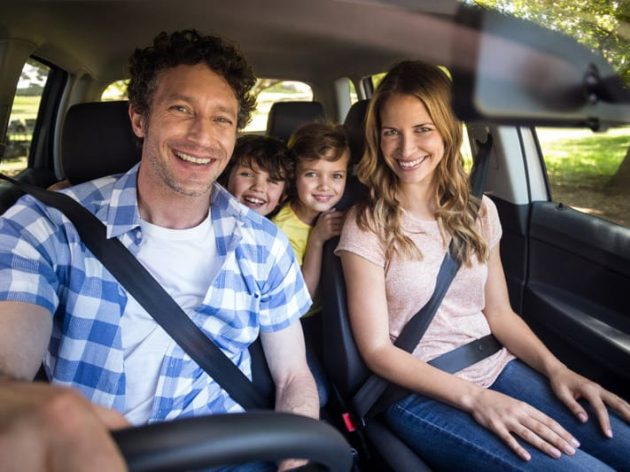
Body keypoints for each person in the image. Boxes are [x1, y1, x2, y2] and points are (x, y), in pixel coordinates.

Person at [0, 30, 318, 471]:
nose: (202, 136)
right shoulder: (46, 225)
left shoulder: (265, 245)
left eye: (222, 119)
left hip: (227, 455)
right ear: (139, 118)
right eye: (181, 109)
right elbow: (8, 361)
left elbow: (294, 377)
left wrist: (295, 463)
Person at [335, 60, 630, 471]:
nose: (405, 149)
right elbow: (377, 351)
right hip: (418, 392)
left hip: (498, 366)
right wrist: (478, 400)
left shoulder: (480, 211)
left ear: (448, 130)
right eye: (391, 132)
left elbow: (501, 314)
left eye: (423, 129)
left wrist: (560, 371)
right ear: (377, 136)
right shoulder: (366, 224)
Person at [272, 122, 349, 319]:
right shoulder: (281, 231)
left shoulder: (351, 208)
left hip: (334, 314)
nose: (325, 186)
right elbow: (301, 300)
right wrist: (316, 240)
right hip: (301, 321)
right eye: (311, 174)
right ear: (293, 176)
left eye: (337, 176)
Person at [219, 134, 293, 217]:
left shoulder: (279, 228)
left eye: (273, 180)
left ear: (283, 196)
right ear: (226, 179)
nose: (258, 188)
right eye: (247, 174)